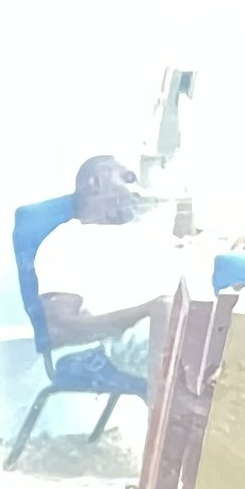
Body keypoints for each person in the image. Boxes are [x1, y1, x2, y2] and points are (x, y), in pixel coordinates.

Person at [35, 151, 184, 380]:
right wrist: (149, 310)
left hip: (183, 323)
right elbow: (59, 329)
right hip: (133, 337)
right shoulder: (67, 241)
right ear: (95, 183)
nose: (137, 192)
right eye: (128, 178)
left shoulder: (140, 237)